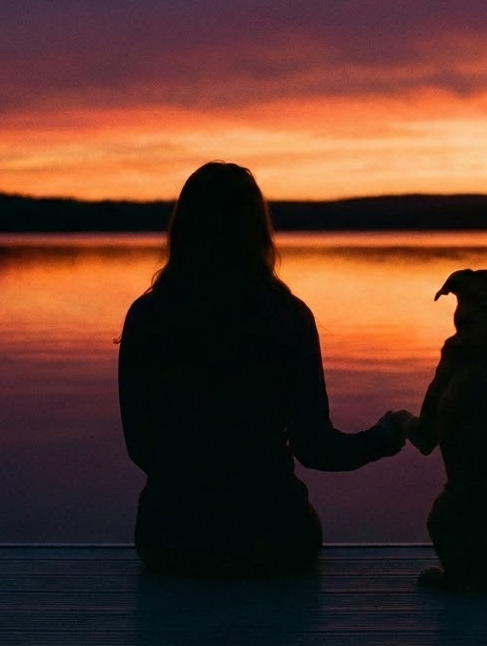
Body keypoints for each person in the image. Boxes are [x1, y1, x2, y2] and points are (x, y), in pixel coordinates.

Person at [117, 161, 414, 576]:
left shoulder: (148, 316)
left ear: (182, 229)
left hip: (171, 540)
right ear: (257, 230)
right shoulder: (285, 316)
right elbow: (316, 449)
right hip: (273, 538)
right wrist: (383, 437)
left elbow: (142, 447)